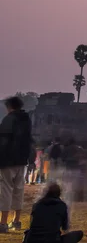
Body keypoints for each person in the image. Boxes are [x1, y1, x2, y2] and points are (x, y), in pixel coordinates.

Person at [0, 96, 33, 233]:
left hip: (8, 160)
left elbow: (4, 141)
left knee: (6, 190)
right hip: (22, 160)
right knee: (19, 190)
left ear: (10, 107)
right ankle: (16, 221)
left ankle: (3, 223)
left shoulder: (9, 119)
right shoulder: (27, 120)